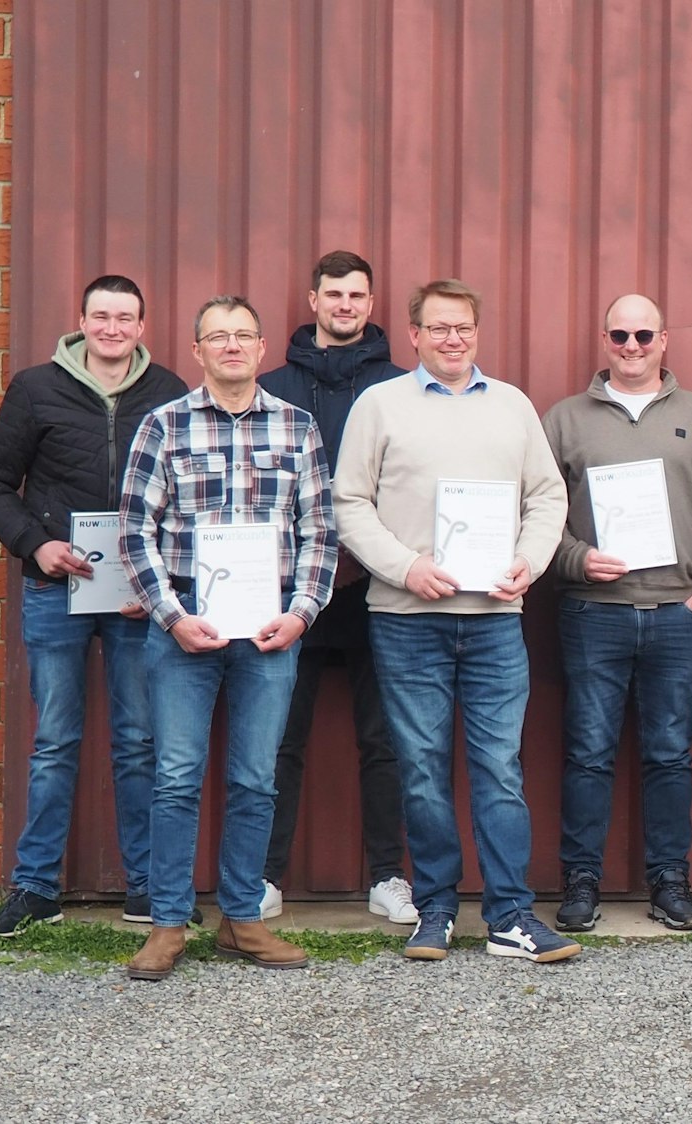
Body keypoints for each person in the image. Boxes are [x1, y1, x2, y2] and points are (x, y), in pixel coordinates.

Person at [334, 278, 578, 964]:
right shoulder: (379, 405)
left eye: (462, 327)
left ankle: (510, 917)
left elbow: (546, 495)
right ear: (413, 335)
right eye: (437, 328)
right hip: (408, 619)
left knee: (499, 767)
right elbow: (349, 502)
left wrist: (529, 561)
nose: (451, 339)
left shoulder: (512, 407)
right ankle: (436, 910)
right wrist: (404, 566)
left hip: (495, 619)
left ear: (477, 331)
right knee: (420, 770)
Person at [118, 295, 336, 981]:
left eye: (244, 335)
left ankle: (242, 919)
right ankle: (167, 925)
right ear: (197, 350)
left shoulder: (297, 428)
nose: (232, 346)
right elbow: (133, 532)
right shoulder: (164, 426)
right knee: (177, 777)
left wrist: (300, 613)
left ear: (264, 348)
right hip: (187, 628)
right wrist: (171, 616)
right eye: (218, 336)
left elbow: (320, 533)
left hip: (270, 631)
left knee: (254, 779)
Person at [0, 275, 186, 938]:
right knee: (55, 740)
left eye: (125, 318)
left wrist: (156, 581)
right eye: (101, 316)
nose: (113, 328)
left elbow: (184, 500)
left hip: (136, 598)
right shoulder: (37, 388)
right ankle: (37, 887)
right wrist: (37, 546)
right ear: (81, 321)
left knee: (138, 741)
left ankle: (145, 886)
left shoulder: (169, 393)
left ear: (142, 326)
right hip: (53, 589)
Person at [544, 293, 692, 933]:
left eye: (642, 336)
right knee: (588, 753)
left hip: (678, 615)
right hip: (593, 614)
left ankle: (669, 880)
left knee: (669, 754)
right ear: (604, 341)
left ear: (665, 340)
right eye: (619, 336)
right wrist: (577, 560)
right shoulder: (565, 420)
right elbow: (539, 516)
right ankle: (581, 881)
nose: (631, 347)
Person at [256, 250, 414, 926]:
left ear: (371, 305)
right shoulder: (272, 386)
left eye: (356, 295)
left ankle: (388, 876)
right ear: (313, 300)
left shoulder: (403, 389)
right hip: (286, 593)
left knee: (385, 740)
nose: (345, 305)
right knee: (278, 739)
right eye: (333, 294)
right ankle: (263, 877)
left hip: (376, 590)